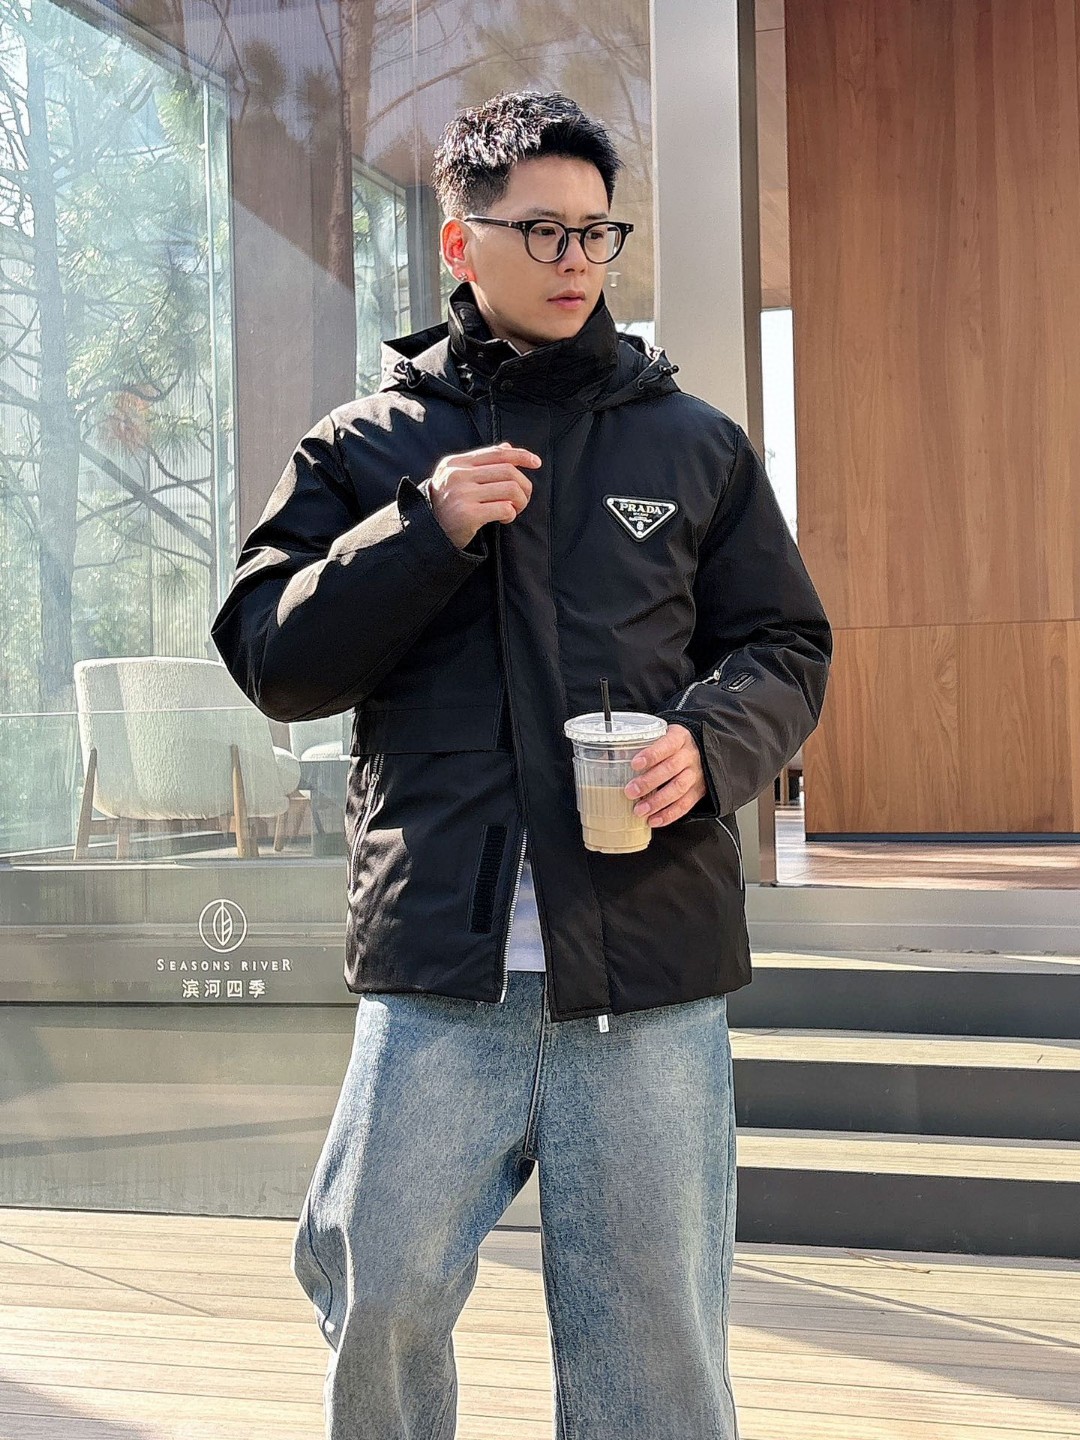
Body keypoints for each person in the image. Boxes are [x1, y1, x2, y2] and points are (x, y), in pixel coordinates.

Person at [212, 89, 830, 1440]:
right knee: (377, 1290)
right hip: (442, 967)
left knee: (657, 1344)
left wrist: (708, 743)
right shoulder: (367, 446)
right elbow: (272, 656)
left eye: (596, 233)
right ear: (461, 243)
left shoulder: (694, 443)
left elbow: (787, 645)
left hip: (648, 968)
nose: (575, 260)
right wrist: (419, 530)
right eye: (541, 230)